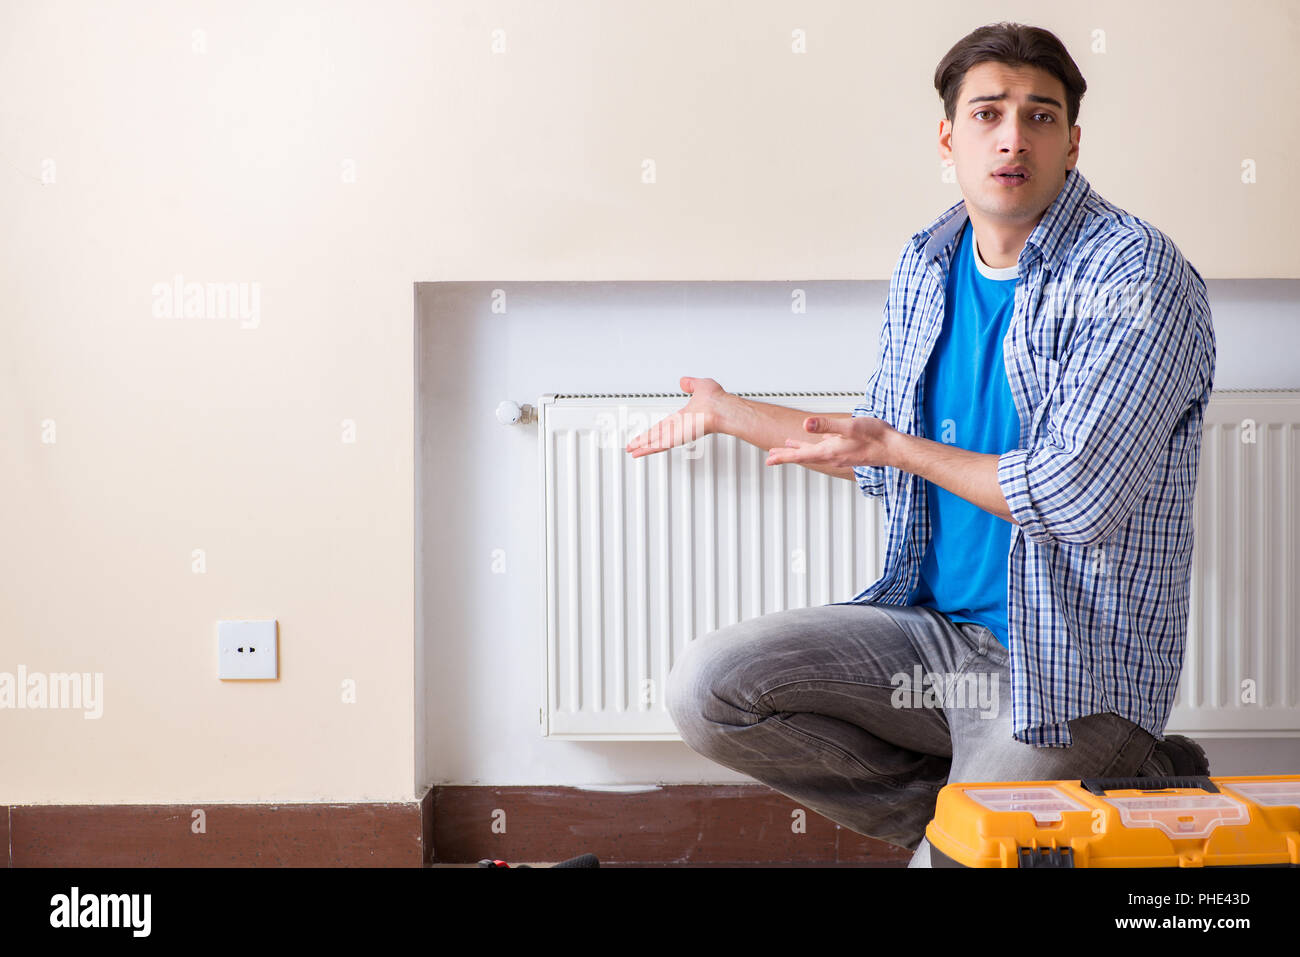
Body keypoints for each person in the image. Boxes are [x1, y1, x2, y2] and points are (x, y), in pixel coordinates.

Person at [624, 21, 1216, 867]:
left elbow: (1074, 496)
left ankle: (1072, 790)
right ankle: (1007, 821)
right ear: (949, 138)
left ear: (1073, 142)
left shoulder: (1135, 276)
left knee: (960, 855)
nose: (1013, 136)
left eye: (1040, 116)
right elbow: (878, 452)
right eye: (987, 113)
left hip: (1070, 676)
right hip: (938, 645)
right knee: (710, 688)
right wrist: (728, 410)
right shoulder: (928, 262)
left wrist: (898, 447)